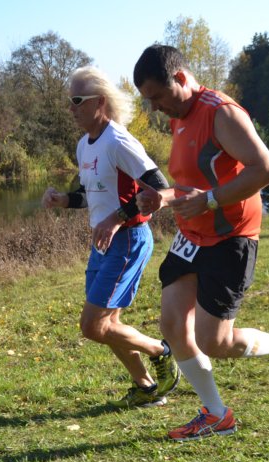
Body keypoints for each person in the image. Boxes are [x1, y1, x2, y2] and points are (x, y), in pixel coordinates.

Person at [132, 45, 269, 441]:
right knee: (172, 324)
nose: (156, 108)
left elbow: (267, 170)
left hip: (231, 237)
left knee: (215, 341)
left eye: (159, 97)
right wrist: (164, 197)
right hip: (191, 236)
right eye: (150, 101)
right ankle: (217, 415)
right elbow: (193, 183)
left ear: (181, 78)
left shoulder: (221, 113)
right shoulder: (179, 118)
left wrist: (211, 200)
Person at [42, 66, 180, 408]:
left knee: (93, 326)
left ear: (100, 101)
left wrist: (117, 219)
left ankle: (161, 351)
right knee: (108, 324)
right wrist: (64, 200)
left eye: (77, 100)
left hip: (129, 239)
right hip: (103, 243)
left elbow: (158, 188)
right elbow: (90, 195)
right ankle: (146, 388)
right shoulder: (83, 146)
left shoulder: (118, 141)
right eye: (69, 101)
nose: (70, 108)